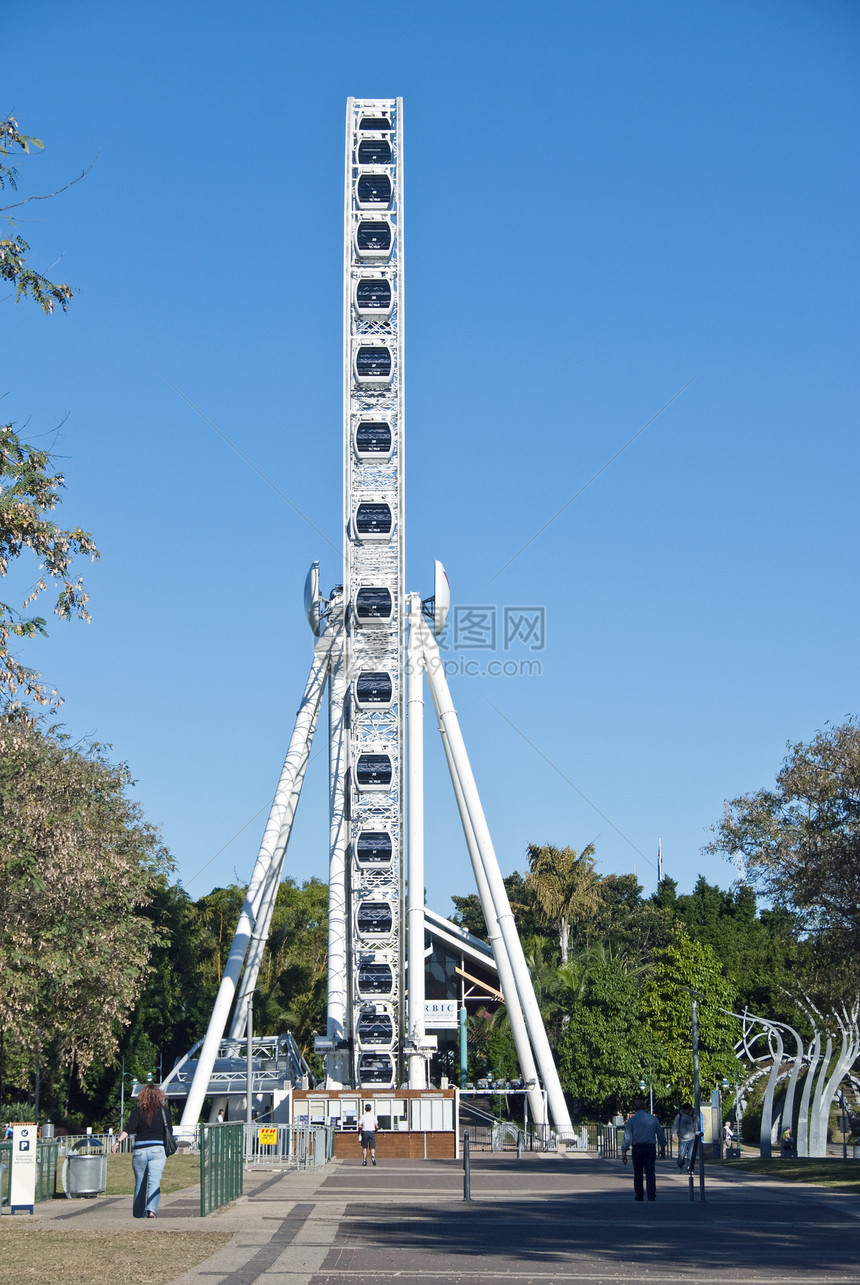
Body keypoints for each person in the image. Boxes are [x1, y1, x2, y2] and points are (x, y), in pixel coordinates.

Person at [112, 1083, 174, 1218]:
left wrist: (118, 1142)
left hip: (140, 1150)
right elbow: (169, 1130)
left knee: (140, 1183)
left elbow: (129, 1128)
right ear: (159, 1096)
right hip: (157, 1149)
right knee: (154, 1181)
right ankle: (151, 1210)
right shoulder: (164, 1111)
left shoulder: (138, 1111)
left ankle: (138, 1214)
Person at [621, 1096, 666, 1201]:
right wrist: (662, 1147)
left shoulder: (632, 1121)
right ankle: (651, 1195)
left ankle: (639, 1195)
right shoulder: (653, 1119)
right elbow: (660, 1134)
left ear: (634, 1108)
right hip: (650, 1147)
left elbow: (627, 1137)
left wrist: (624, 1150)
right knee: (650, 1172)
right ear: (644, 1107)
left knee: (638, 1173)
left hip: (637, 1148)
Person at [671, 1103, 697, 1171]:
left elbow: (694, 1126)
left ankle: (690, 1167)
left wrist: (696, 1134)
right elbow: (675, 1125)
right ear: (685, 1109)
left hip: (692, 1138)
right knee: (681, 1155)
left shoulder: (692, 1116)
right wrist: (673, 1134)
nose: (689, 1111)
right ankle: (680, 1166)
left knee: (691, 1155)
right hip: (682, 1139)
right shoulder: (679, 1116)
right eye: (688, 1110)